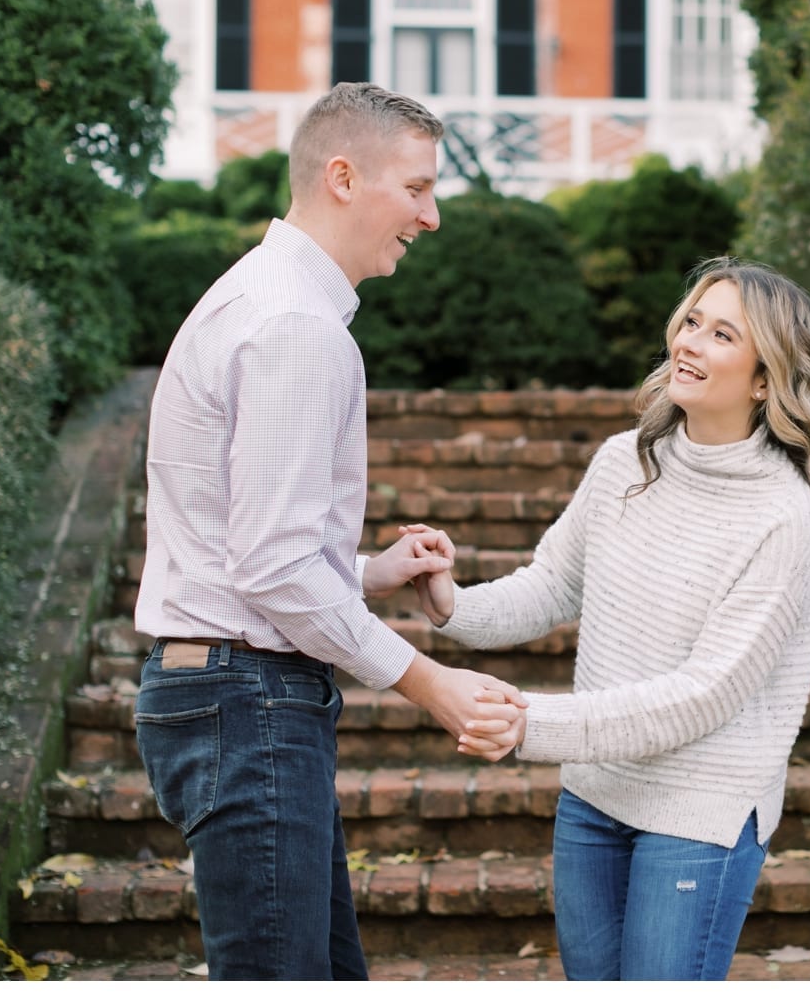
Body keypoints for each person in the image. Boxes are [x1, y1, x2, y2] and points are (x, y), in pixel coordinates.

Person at [131, 82, 525, 981]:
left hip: (233, 690)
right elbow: (269, 571)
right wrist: (430, 683)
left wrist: (364, 571)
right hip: (248, 699)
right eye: (418, 190)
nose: (431, 218)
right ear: (343, 177)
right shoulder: (297, 327)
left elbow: (250, 546)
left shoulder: (263, 297)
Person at [409, 257, 810, 980]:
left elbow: (706, 692)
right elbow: (552, 584)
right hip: (595, 796)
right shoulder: (625, 462)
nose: (690, 342)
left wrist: (533, 724)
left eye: (722, 334)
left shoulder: (785, 517)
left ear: (766, 379)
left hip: (700, 814)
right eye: (692, 321)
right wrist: (453, 603)